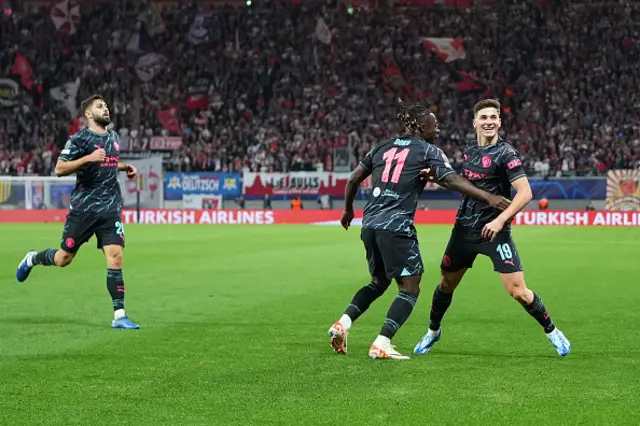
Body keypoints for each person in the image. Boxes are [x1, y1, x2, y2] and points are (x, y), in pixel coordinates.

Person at [328, 100, 511, 360]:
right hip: (396, 225)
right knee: (410, 287)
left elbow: (353, 178)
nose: (438, 130)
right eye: (434, 126)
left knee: (379, 282)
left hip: (369, 224)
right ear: (422, 126)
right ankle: (382, 342)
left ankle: (342, 325)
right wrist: (488, 197)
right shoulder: (428, 150)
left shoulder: (382, 146)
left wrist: (348, 210)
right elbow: (453, 179)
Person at [414, 99, 571, 357]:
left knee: (518, 291)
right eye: (484, 117)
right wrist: (437, 180)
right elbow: (466, 186)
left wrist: (500, 220)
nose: (489, 121)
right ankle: (433, 331)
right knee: (446, 284)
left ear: (499, 122)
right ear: (475, 122)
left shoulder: (506, 154)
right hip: (464, 230)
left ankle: (553, 332)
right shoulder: (468, 150)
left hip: (496, 234)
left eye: (493, 117)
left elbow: (525, 193)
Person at [15, 94, 140, 330]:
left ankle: (119, 315)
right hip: (84, 209)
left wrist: (125, 167)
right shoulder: (79, 139)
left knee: (115, 257)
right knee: (64, 259)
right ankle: (32, 258)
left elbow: (109, 162)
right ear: (88, 114)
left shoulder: (113, 137)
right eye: (100, 106)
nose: (106, 108)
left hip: (110, 209)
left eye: (106, 105)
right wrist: (88, 158)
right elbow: (59, 168)